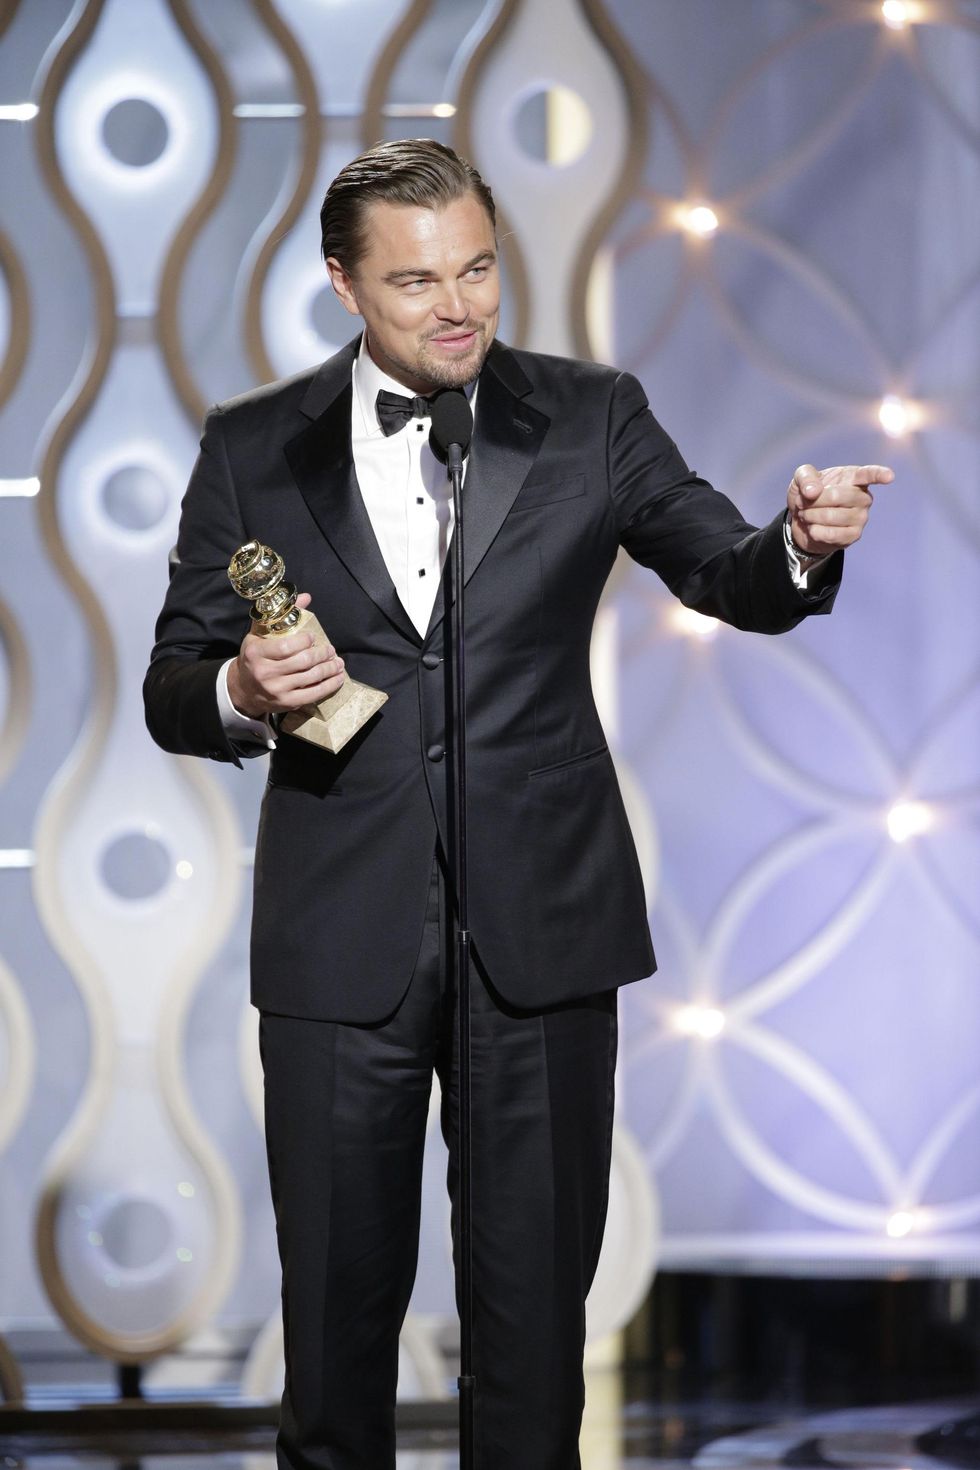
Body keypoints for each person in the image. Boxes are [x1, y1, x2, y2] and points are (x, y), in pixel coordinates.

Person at [143, 138, 893, 1470]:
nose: (460, 305)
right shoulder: (254, 447)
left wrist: (798, 542)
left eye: (480, 267)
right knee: (333, 1338)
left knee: (535, 1340)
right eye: (418, 279)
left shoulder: (592, 412)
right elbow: (172, 683)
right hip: (338, 942)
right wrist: (246, 689)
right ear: (342, 282)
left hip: (542, 937)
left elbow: (724, 568)